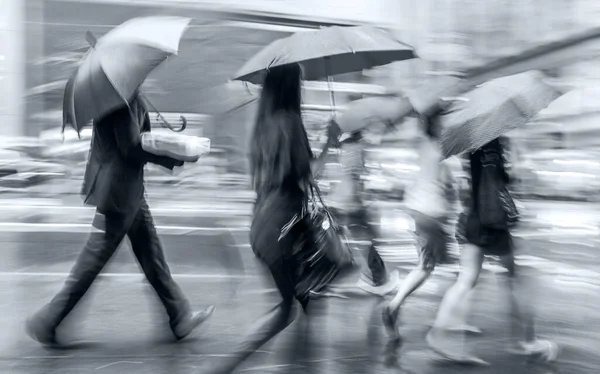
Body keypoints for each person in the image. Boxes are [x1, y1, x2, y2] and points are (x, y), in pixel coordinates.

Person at [26, 93, 215, 346]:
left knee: (153, 259)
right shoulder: (120, 100)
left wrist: (164, 136)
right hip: (118, 196)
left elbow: (139, 138)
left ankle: (179, 317)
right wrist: (176, 156)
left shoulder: (123, 97)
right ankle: (47, 321)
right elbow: (131, 146)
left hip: (128, 193)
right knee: (92, 263)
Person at [205, 63, 335, 373]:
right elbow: (309, 176)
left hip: (264, 226)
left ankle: (296, 366)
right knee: (290, 308)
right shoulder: (290, 123)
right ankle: (223, 367)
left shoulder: (264, 125)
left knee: (305, 303)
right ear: (293, 86)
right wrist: (331, 141)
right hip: (283, 229)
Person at [425, 138, 558, 364]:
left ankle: (437, 333)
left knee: (465, 280)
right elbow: (498, 181)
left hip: (472, 218)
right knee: (513, 278)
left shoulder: (471, 143)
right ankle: (526, 341)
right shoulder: (493, 141)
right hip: (492, 221)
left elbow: (476, 180)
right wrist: (512, 163)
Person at [381, 115, 463, 339]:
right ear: (437, 124)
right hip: (432, 214)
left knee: (436, 267)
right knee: (433, 269)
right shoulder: (441, 151)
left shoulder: (423, 146)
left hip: (420, 211)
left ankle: (448, 318)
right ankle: (396, 306)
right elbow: (449, 188)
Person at [327, 114, 399, 296]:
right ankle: (375, 279)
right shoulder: (355, 146)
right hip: (349, 202)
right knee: (367, 240)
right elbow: (353, 175)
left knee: (361, 240)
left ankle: (374, 277)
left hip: (343, 201)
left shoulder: (346, 145)